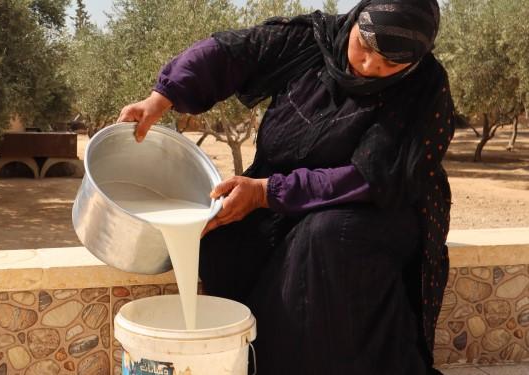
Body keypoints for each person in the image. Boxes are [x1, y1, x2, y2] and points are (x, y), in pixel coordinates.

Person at [116, 0, 454, 374]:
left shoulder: (424, 90)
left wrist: (266, 193)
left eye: (392, 63)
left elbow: (369, 176)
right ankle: (244, 359)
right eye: (365, 46)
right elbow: (232, 52)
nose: (371, 66)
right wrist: (162, 97)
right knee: (225, 238)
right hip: (281, 190)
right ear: (356, 19)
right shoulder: (312, 41)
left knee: (324, 238)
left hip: (374, 206)